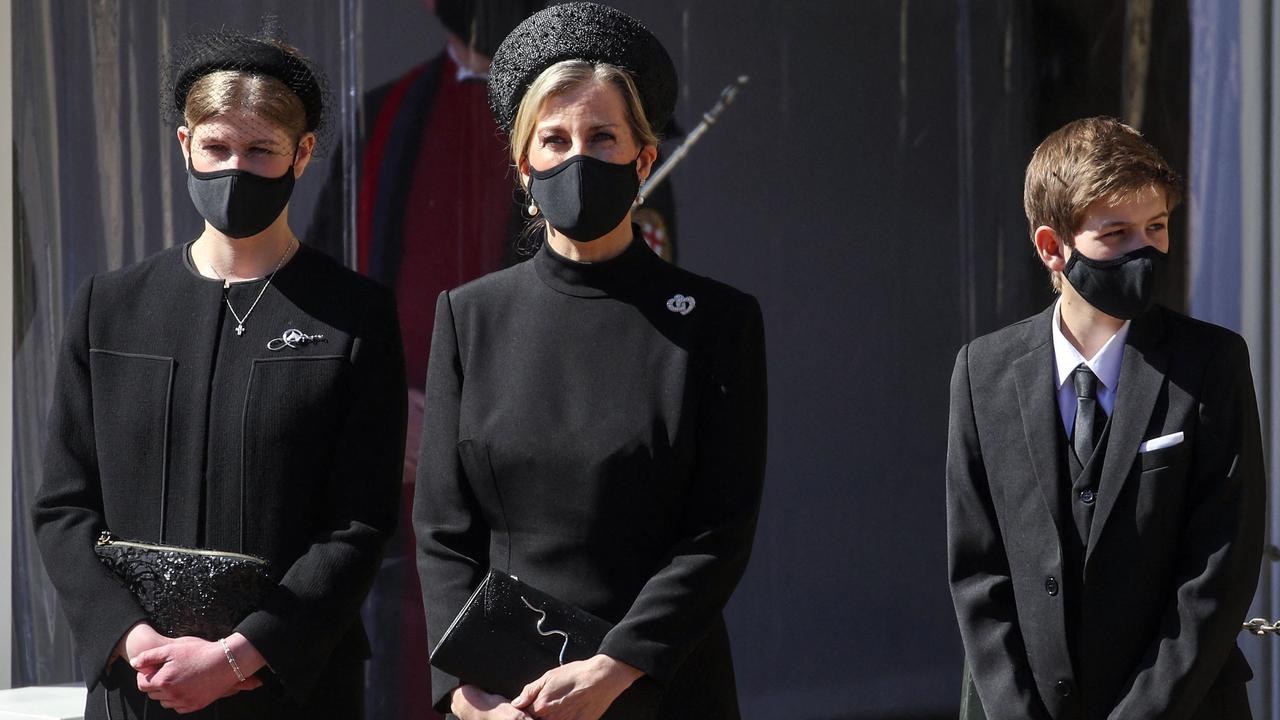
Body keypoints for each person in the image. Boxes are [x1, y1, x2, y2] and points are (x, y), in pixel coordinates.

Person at [31, 26, 406, 720]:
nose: (236, 169)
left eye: (261, 150)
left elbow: (359, 523)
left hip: (291, 690)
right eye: (217, 147)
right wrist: (132, 641)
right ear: (184, 146)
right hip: (137, 688)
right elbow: (64, 505)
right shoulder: (109, 309)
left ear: (302, 155)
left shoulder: (354, 315)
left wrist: (241, 654)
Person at [413, 3, 767, 719]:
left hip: (662, 690)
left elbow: (718, 532)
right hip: (507, 698)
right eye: (556, 139)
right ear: (524, 166)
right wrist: (464, 696)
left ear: (644, 159)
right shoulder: (470, 316)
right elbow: (444, 532)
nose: (578, 158)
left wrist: (617, 667)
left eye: (602, 137)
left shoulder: (718, 323)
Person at [946, 116, 1265, 719]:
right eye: (1115, 233)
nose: (1142, 249)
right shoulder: (982, 373)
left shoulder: (1211, 363)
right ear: (1052, 247)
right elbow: (977, 571)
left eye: (1157, 226)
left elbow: (1220, 565)